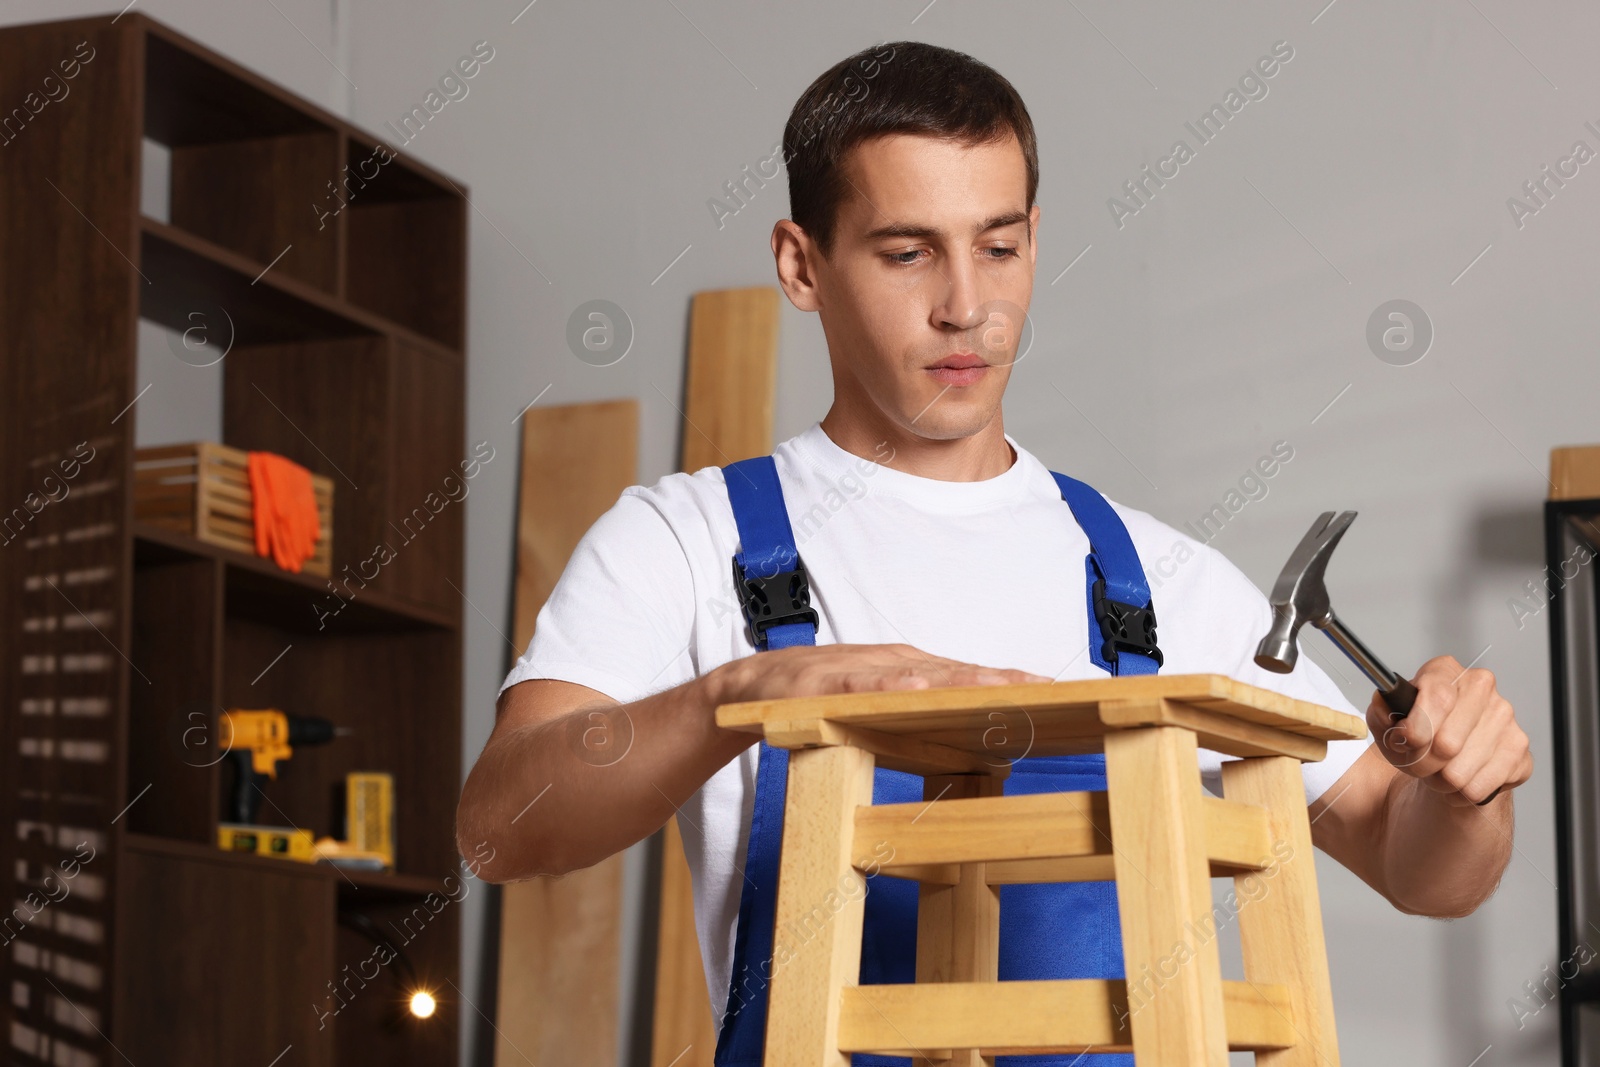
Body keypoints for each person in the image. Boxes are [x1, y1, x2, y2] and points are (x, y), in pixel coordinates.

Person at [456, 39, 1532, 1067]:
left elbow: (1415, 863)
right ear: (801, 264)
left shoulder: (1152, 582)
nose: (967, 306)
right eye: (907, 250)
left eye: (999, 245)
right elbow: (501, 826)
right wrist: (734, 694)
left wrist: (1461, 787)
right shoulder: (689, 541)